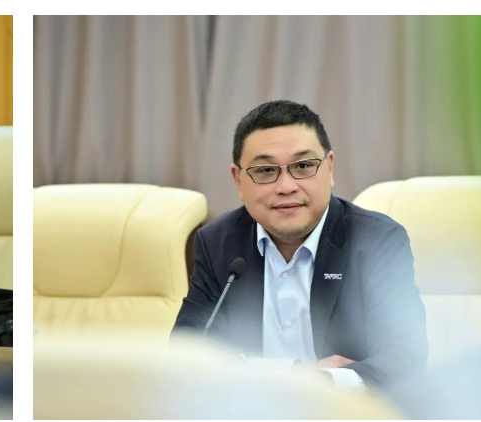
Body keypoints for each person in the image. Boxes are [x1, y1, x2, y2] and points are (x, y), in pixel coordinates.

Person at [172, 100, 427, 390]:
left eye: (303, 166)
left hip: (347, 412)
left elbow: (405, 356)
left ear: (329, 168)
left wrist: (322, 385)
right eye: (265, 171)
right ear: (239, 181)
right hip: (249, 411)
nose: (286, 187)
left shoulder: (375, 240)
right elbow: (188, 352)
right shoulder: (218, 242)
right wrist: (299, 376)